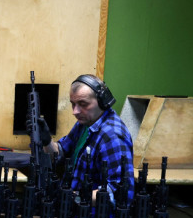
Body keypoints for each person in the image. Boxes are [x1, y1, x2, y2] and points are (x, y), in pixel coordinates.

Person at [30, 74, 135, 207]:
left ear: (103, 101)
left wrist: (76, 197)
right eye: (73, 104)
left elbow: (121, 193)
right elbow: (60, 154)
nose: (75, 111)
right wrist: (46, 141)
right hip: (73, 210)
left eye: (83, 104)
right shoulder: (85, 123)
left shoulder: (113, 136)